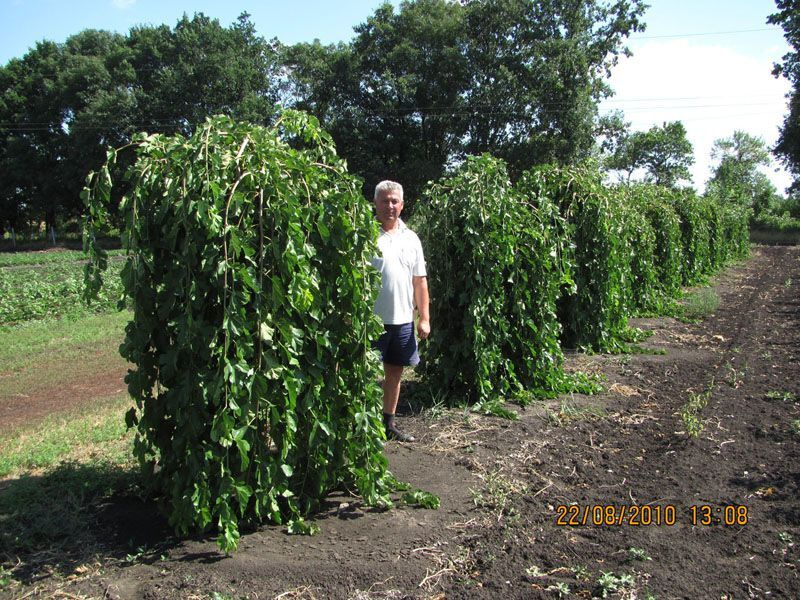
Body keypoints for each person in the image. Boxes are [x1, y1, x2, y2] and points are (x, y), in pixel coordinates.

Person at [371, 180, 430, 442]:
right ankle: (362, 422)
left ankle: (388, 423)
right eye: (385, 200)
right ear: (376, 203)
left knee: (394, 373)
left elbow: (420, 281)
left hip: (403, 319)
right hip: (371, 321)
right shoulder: (365, 234)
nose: (390, 205)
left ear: (402, 204)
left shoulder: (411, 238)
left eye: (395, 201)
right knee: (363, 372)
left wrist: (425, 318)